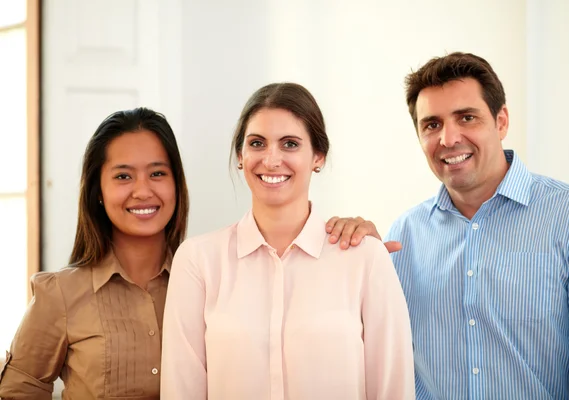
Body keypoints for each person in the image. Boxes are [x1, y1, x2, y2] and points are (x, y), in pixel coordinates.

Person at [327, 52, 569, 399]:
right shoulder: (403, 236)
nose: (448, 138)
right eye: (432, 125)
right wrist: (356, 263)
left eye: (466, 118)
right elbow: (373, 359)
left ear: (501, 121)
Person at [160, 82, 415, 399]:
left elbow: (394, 389)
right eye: (257, 143)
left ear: (318, 157)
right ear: (240, 156)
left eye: (290, 144)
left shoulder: (365, 257)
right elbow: (181, 389)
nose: (271, 159)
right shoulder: (198, 262)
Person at [0, 107, 189, 399]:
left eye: (157, 173)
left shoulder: (203, 282)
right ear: (98, 191)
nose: (142, 191)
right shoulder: (60, 294)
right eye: (123, 176)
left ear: (176, 183)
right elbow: (18, 391)